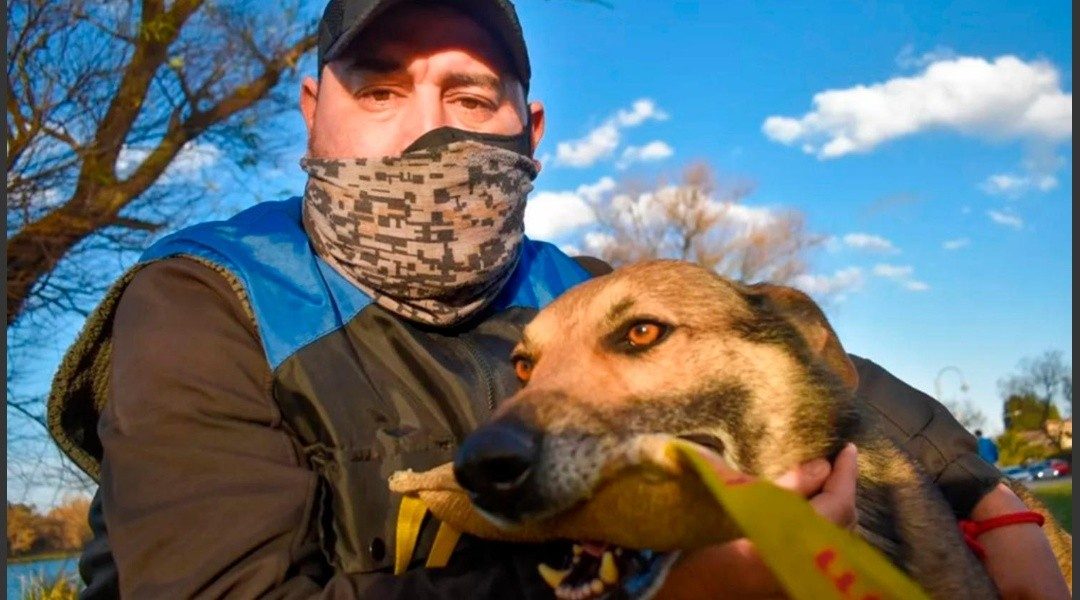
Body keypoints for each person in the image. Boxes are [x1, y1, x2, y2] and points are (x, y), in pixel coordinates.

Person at [47, 0, 1068, 598]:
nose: (426, 132)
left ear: (529, 131)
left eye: (468, 94)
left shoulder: (574, 286)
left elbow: (812, 361)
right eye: (380, 90)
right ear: (314, 113)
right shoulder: (204, 303)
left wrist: (995, 507)